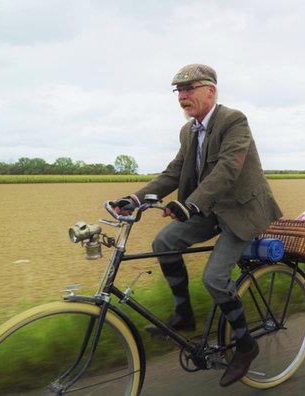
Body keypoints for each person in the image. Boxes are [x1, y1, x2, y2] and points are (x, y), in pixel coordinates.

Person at [113, 64, 283, 387]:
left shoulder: (234, 121)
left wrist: (191, 204)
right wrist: (134, 200)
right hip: (210, 209)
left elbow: (227, 170)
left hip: (241, 210)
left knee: (215, 278)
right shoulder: (188, 132)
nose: (182, 96)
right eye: (178, 91)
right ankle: (184, 314)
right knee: (164, 243)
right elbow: (174, 172)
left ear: (211, 91)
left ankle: (246, 347)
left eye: (189, 89)